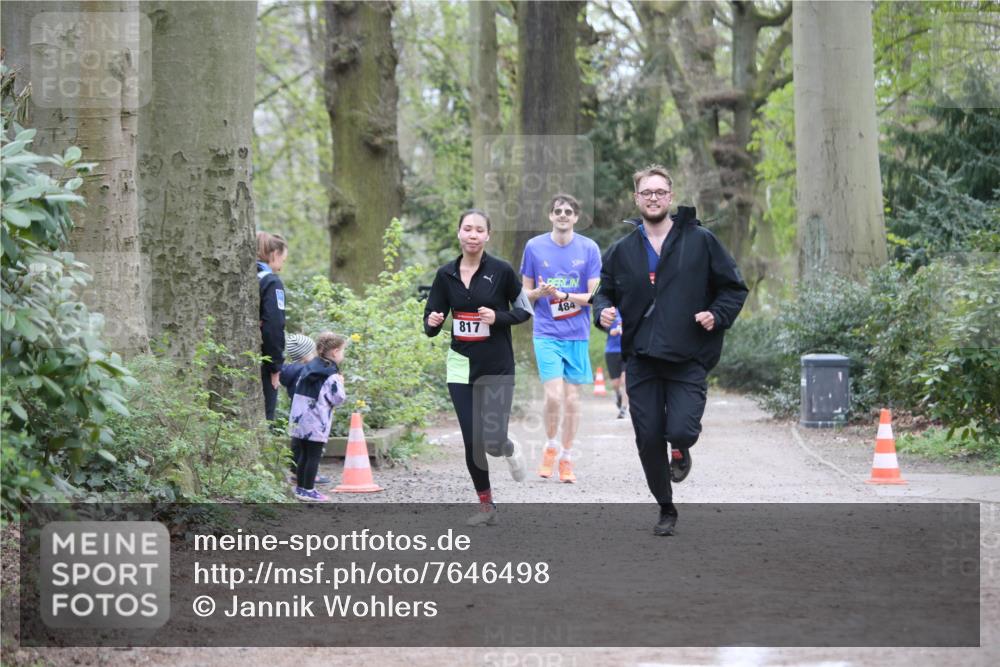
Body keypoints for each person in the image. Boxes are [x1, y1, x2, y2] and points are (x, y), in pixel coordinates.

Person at [593, 165, 748, 536]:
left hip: (688, 356)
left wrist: (716, 314)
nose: (653, 198)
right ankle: (666, 508)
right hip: (642, 358)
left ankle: (680, 448)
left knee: (681, 429)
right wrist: (603, 311)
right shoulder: (622, 250)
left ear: (670, 196)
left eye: (660, 192)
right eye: (646, 192)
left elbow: (733, 288)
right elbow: (604, 291)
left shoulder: (700, 241)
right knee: (647, 438)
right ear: (637, 198)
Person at [424, 209, 531, 526]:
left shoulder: (502, 271)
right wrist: (432, 322)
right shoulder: (446, 275)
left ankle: (509, 448)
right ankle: (487, 507)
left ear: (487, 236)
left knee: (493, 442)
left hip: (497, 366)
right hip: (460, 365)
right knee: (473, 441)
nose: (472, 234)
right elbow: (433, 315)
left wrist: (498, 318)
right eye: (467, 229)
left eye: (478, 230)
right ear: (459, 233)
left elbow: (524, 311)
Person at [520, 194, 602, 483]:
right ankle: (550, 446)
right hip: (546, 332)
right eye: (558, 211)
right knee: (554, 395)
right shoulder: (534, 247)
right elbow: (523, 294)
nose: (563, 215)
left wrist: (564, 295)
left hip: (577, 334)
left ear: (576, 217)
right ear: (551, 216)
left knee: (572, 400)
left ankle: (567, 457)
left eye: (569, 211)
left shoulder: (589, 248)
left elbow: (594, 298)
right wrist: (539, 294)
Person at [289, 332, 348, 502]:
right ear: (335, 352)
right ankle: (309, 489)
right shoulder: (332, 374)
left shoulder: (308, 367)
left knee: (303, 455)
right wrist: (341, 384)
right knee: (313, 456)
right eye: (342, 351)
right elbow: (337, 398)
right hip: (317, 421)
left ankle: (300, 488)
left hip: (299, 419)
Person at [279, 333, 332, 489]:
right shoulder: (306, 372)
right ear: (307, 354)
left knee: (297, 444)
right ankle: (307, 477)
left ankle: (296, 472)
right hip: (311, 414)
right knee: (309, 449)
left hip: (296, 412)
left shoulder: (289, 371)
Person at [257, 231, 288, 422]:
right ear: (274, 254)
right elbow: (274, 326)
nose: (281, 267)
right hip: (262, 362)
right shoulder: (271, 282)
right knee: (264, 418)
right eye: (282, 260)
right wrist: (275, 366)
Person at [605, 313, 628, 419]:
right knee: (615, 384)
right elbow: (601, 323)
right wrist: (610, 330)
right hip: (611, 351)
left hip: (626, 350)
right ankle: (618, 396)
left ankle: (623, 408)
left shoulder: (629, 308)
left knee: (625, 380)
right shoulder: (611, 309)